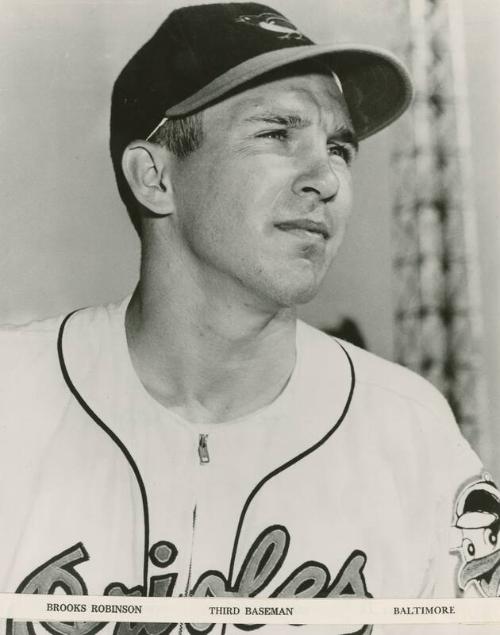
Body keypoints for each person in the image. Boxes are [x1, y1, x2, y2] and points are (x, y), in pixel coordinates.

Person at [0, 2, 495, 634]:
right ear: (155, 178)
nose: (327, 179)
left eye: (340, 147)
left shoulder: (411, 435)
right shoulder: (14, 400)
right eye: (277, 133)